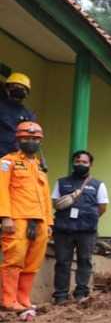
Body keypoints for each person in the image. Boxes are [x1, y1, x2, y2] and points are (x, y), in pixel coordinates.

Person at [0, 122, 51, 311]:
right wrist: (5, 217)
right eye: (27, 138)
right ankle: (8, 300)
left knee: (32, 262)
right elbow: (1, 189)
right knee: (14, 259)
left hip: (40, 221)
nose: (32, 141)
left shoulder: (39, 167)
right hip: (17, 220)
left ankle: (23, 299)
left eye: (35, 139)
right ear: (18, 139)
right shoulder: (7, 162)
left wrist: (49, 222)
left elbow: (45, 196)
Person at [51, 150, 108, 305]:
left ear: (91, 165)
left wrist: (87, 219)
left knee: (84, 261)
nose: (81, 165)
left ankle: (81, 293)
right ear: (73, 163)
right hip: (64, 230)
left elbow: (102, 208)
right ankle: (60, 295)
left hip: (87, 231)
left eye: (84, 162)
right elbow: (55, 204)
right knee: (63, 262)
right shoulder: (61, 182)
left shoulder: (98, 185)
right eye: (78, 162)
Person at [0, 73, 37, 157]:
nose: (19, 90)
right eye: (16, 88)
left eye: (22, 89)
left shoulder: (29, 114)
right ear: (7, 89)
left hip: (19, 158)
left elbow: (31, 138)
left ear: (26, 93)